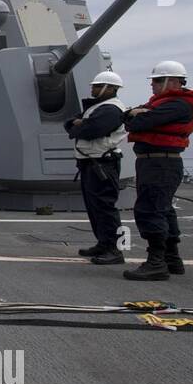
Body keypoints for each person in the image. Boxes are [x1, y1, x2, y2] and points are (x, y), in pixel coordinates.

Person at [121, 61, 193, 281]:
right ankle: (171, 259)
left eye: (158, 80)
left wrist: (138, 114)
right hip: (157, 163)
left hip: (160, 164)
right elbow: (128, 118)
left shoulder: (177, 105)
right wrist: (135, 114)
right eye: (153, 81)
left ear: (175, 81)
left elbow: (138, 123)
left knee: (150, 210)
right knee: (163, 209)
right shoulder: (165, 104)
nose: (153, 85)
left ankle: (156, 262)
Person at [65, 70, 127, 265]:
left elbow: (90, 131)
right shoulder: (97, 107)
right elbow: (69, 125)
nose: (93, 88)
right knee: (94, 207)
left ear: (111, 88)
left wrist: (80, 125)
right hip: (92, 163)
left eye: (98, 86)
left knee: (104, 206)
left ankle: (115, 249)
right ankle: (103, 242)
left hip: (102, 164)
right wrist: (78, 125)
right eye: (94, 85)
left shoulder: (110, 110)